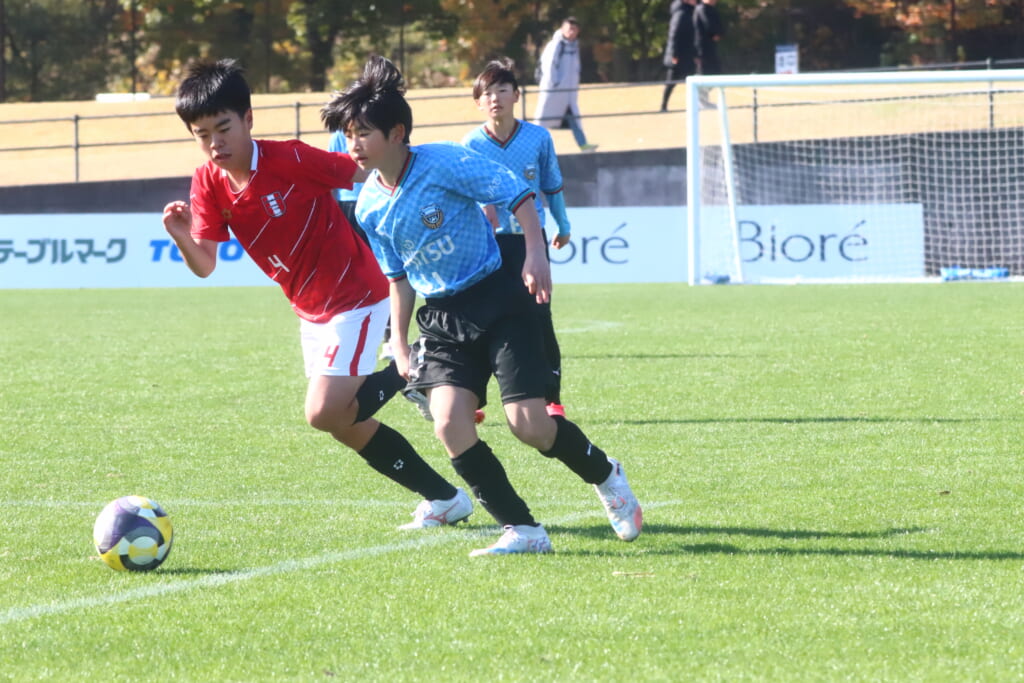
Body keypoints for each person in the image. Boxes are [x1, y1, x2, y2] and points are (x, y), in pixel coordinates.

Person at [322, 56, 642, 556]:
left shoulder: (444, 161)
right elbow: (398, 279)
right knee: (449, 422)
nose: (353, 145)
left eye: (363, 133)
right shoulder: (368, 206)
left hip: (499, 297)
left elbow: (517, 194)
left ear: (397, 133)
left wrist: (535, 253)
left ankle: (606, 474)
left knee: (528, 425)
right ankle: (524, 530)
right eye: (348, 135)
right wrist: (398, 344)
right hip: (442, 318)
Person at [161, 58, 471, 531]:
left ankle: (414, 364)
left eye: (223, 129)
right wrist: (181, 234)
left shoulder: (290, 159)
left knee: (323, 412)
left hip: (357, 293)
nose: (214, 143)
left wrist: (431, 198)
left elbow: (366, 167)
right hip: (310, 311)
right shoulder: (207, 180)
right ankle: (445, 499)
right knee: (345, 425)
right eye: (201, 135)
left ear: (248, 119)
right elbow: (205, 264)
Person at [461, 58, 570, 423]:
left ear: (517, 96)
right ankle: (472, 399)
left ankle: (552, 399)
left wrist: (563, 224)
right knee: (481, 319)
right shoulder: (471, 144)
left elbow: (552, 185)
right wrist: (482, 210)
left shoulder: (538, 138)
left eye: (502, 90)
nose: (495, 98)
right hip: (487, 246)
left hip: (530, 242)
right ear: (478, 102)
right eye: (487, 93)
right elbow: (465, 194)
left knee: (539, 316)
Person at [532, 16, 597, 153]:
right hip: (555, 91)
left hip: (568, 93)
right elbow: (549, 66)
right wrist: (555, 84)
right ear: (563, 29)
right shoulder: (556, 45)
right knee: (543, 121)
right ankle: (532, 147)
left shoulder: (574, 46)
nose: (572, 32)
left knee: (573, 118)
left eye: (575, 29)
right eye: (569, 29)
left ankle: (583, 144)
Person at [661, 0, 697, 112]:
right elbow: (674, 34)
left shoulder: (690, 12)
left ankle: (697, 104)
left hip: (688, 54)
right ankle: (663, 105)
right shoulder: (681, 14)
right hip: (679, 56)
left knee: (694, 80)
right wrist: (674, 54)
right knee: (671, 82)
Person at [694, 0, 724, 108]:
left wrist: (719, 33)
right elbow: (710, 27)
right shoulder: (702, 9)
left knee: (715, 73)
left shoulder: (711, 9)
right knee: (706, 74)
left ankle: (702, 100)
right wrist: (716, 34)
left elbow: (720, 27)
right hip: (702, 49)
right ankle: (700, 100)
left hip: (710, 48)